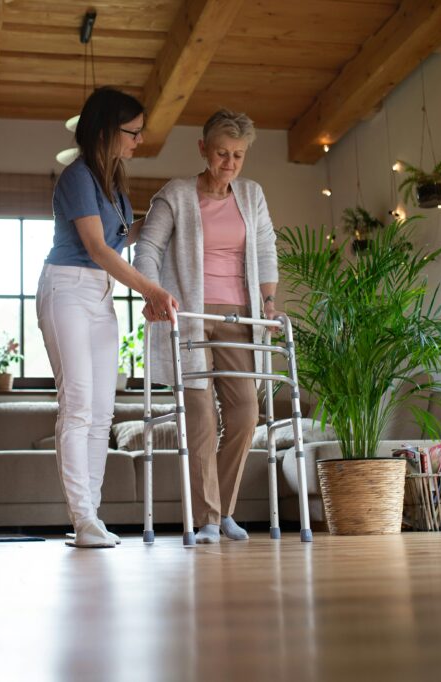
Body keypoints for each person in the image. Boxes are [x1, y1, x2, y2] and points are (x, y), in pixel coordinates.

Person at [37, 87, 178, 548]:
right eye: (133, 132)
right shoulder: (77, 176)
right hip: (67, 290)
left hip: (100, 296)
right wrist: (151, 289)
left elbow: (119, 237)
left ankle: (90, 517)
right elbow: (97, 249)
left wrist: (162, 216)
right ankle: (82, 519)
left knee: (102, 413)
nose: (139, 141)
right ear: (105, 129)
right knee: (77, 406)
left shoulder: (113, 182)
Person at [134, 109, 278, 544]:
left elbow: (266, 249)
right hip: (191, 316)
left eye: (238, 155)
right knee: (198, 418)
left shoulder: (251, 195)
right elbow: (149, 247)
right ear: (202, 149)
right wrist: (151, 293)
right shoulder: (176, 194)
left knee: (245, 413)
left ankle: (225, 509)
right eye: (221, 153)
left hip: (238, 315)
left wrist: (268, 303)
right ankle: (208, 518)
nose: (229, 163)